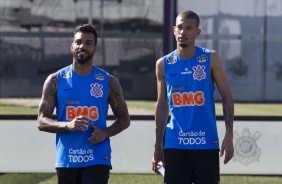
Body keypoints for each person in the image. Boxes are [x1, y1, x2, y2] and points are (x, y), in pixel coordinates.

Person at [37, 24, 130, 184]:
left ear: (95, 48)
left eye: (88, 43)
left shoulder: (108, 82)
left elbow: (124, 119)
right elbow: (41, 121)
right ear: (72, 46)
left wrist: (105, 133)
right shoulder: (55, 80)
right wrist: (68, 125)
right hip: (67, 160)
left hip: (97, 159)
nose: (82, 46)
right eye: (79, 42)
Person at [152, 10, 234, 184]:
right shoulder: (163, 64)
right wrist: (158, 146)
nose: (183, 32)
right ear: (174, 30)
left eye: (189, 28)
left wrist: (229, 134)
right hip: (175, 144)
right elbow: (161, 105)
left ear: (197, 32)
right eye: (180, 28)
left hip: (206, 143)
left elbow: (227, 97)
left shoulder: (210, 58)